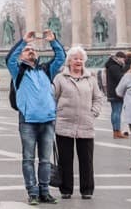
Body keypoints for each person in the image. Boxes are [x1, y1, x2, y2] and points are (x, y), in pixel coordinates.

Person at [6, 29, 66, 205]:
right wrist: (23, 42)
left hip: (47, 120)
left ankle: (45, 191)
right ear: (22, 55)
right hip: (28, 121)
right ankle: (32, 192)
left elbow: (61, 58)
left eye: (33, 49)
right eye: (27, 50)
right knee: (28, 159)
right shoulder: (18, 71)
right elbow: (9, 58)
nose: (30, 51)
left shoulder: (47, 69)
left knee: (46, 160)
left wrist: (53, 41)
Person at [52, 45, 103, 199]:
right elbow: (53, 97)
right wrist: (56, 114)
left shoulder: (91, 78)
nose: (78, 61)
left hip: (85, 122)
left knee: (86, 160)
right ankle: (66, 189)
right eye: (75, 58)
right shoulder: (60, 78)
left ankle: (87, 190)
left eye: (81, 59)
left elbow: (98, 98)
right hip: (64, 122)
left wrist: (93, 112)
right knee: (65, 159)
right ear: (69, 61)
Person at [103, 51, 129, 138]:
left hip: (112, 91)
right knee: (117, 112)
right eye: (123, 59)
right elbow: (120, 78)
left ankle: (116, 131)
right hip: (116, 92)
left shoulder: (111, 65)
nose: (124, 61)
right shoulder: (115, 66)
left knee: (115, 111)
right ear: (118, 58)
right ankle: (117, 131)